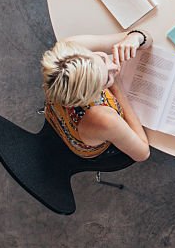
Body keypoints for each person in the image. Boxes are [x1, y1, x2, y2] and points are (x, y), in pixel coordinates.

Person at [41, 30, 151, 162]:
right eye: (106, 80)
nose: (114, 67)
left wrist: (135, 38)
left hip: (57, 114)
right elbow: (143, 153)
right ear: (91, 97)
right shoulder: (104, 118)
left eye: (102, 58)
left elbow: (145, 37)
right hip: (89, 145)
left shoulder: (70, 48)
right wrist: (117, 87)